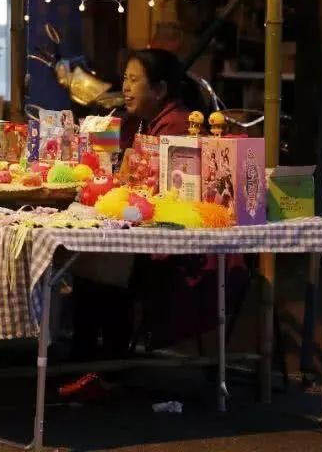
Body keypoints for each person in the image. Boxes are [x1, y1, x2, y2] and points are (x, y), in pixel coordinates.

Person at [60, 48, 194, 402]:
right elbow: (111, 165)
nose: (127, 88)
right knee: (89, 262)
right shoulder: (135, 121)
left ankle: (101, 370)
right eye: (125, 80)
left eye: (135, 80)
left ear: (161, 89)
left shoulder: (176, 125)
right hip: (133, 220)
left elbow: (149, 183)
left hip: (173, 235)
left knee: (102, 268)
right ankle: (85, 365)